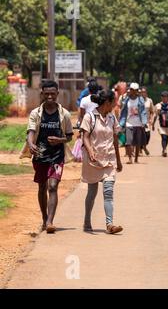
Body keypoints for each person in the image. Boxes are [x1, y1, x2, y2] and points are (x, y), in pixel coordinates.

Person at [21, 80, 74, 233]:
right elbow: (30, 132)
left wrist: (59, 140)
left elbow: (69, 136)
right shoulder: (35, 113)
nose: (50, 96)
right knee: (42, 186)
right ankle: (44, 218)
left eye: (53, 93)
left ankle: (50, 222)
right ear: (42, 94)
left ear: (57, 94)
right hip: (40, 155)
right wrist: (31, 144)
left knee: (53, 187)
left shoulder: (64, 114)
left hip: (57, 156)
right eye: (47, 93)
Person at [81, 90, 123, 234]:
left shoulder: (112, 117)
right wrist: (90, 151)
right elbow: (85, 137)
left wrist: (118, 159)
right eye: (114, 102)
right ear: (107, 103)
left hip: (109, 159)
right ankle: (87, 222)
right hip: (93, 160)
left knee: (108, 191)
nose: (115, 104)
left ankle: (110, 224)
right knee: (92, 193)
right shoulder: (89, 117)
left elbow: (115, 138)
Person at [119, 83, 148, 164]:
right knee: (128, 141)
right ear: (130, 90)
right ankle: (130, 158)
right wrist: (121, 123)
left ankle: (136, 159)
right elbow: (123, 111)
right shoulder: (126, 100)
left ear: (137, 91)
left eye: (135, 90)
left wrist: (144, 122)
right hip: (129, 123)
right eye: (132, 90)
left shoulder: (140, 100)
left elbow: (143, 112)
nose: (133, 92)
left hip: (138, 124)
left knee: (137, 142)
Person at [153, 91, 168, 157]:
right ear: (161, 97)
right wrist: (153, 124)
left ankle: (164, 149)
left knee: (167, 137)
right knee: (163, 137)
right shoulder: (158, 105)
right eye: (163, 97)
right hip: (161, 125)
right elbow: (155, 115)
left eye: (166, 97)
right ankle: (164, 149)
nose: (165, 98)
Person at [141, 87, 155, 156]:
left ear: (146, 93)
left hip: (147, 121)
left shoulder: (149, 101)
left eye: (144, 92)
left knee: (147, 135)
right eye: (142, 92)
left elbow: (152, 111)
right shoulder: (138, 100)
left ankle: (144, 146)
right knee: (140, 135)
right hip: (139, 121)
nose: (143, 93)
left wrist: (151, 119)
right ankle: (140, 149)